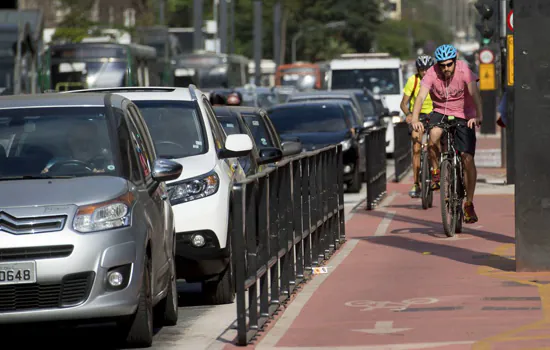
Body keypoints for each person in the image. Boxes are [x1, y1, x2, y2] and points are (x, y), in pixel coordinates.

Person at [411, 44, 483, 224]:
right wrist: (414, 119)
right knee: (433, 136)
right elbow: (420, 96)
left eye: (449, 64)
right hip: (440, 112)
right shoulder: (432, 73)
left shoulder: (464, 70)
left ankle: (469, 203)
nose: (445, 69)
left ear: (455, 62)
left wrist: (478, 116)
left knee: (467, 158)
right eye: (442, 65)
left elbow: (474, 93)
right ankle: (436, 170)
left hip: (464, 114)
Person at [401, 54, 436, 198]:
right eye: (422, 69)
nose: (425, 72)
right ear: (418, 69)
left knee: (436, 143)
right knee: (416, 147)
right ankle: (416, 184)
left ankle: (436, 173)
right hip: (418, 116)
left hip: (434, 114)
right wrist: (408, 114)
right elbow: (403, 103)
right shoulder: (413, 81)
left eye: (427, 69)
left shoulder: (436, 80)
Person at [41, 121, 109, 174]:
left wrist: (103, 175)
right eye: (78, 141)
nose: (84, 145)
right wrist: (46, 175)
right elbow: (46, 182)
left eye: (89, 141)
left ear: (96, 141)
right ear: (69, 142)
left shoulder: (108, 162)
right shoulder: (56, 163)